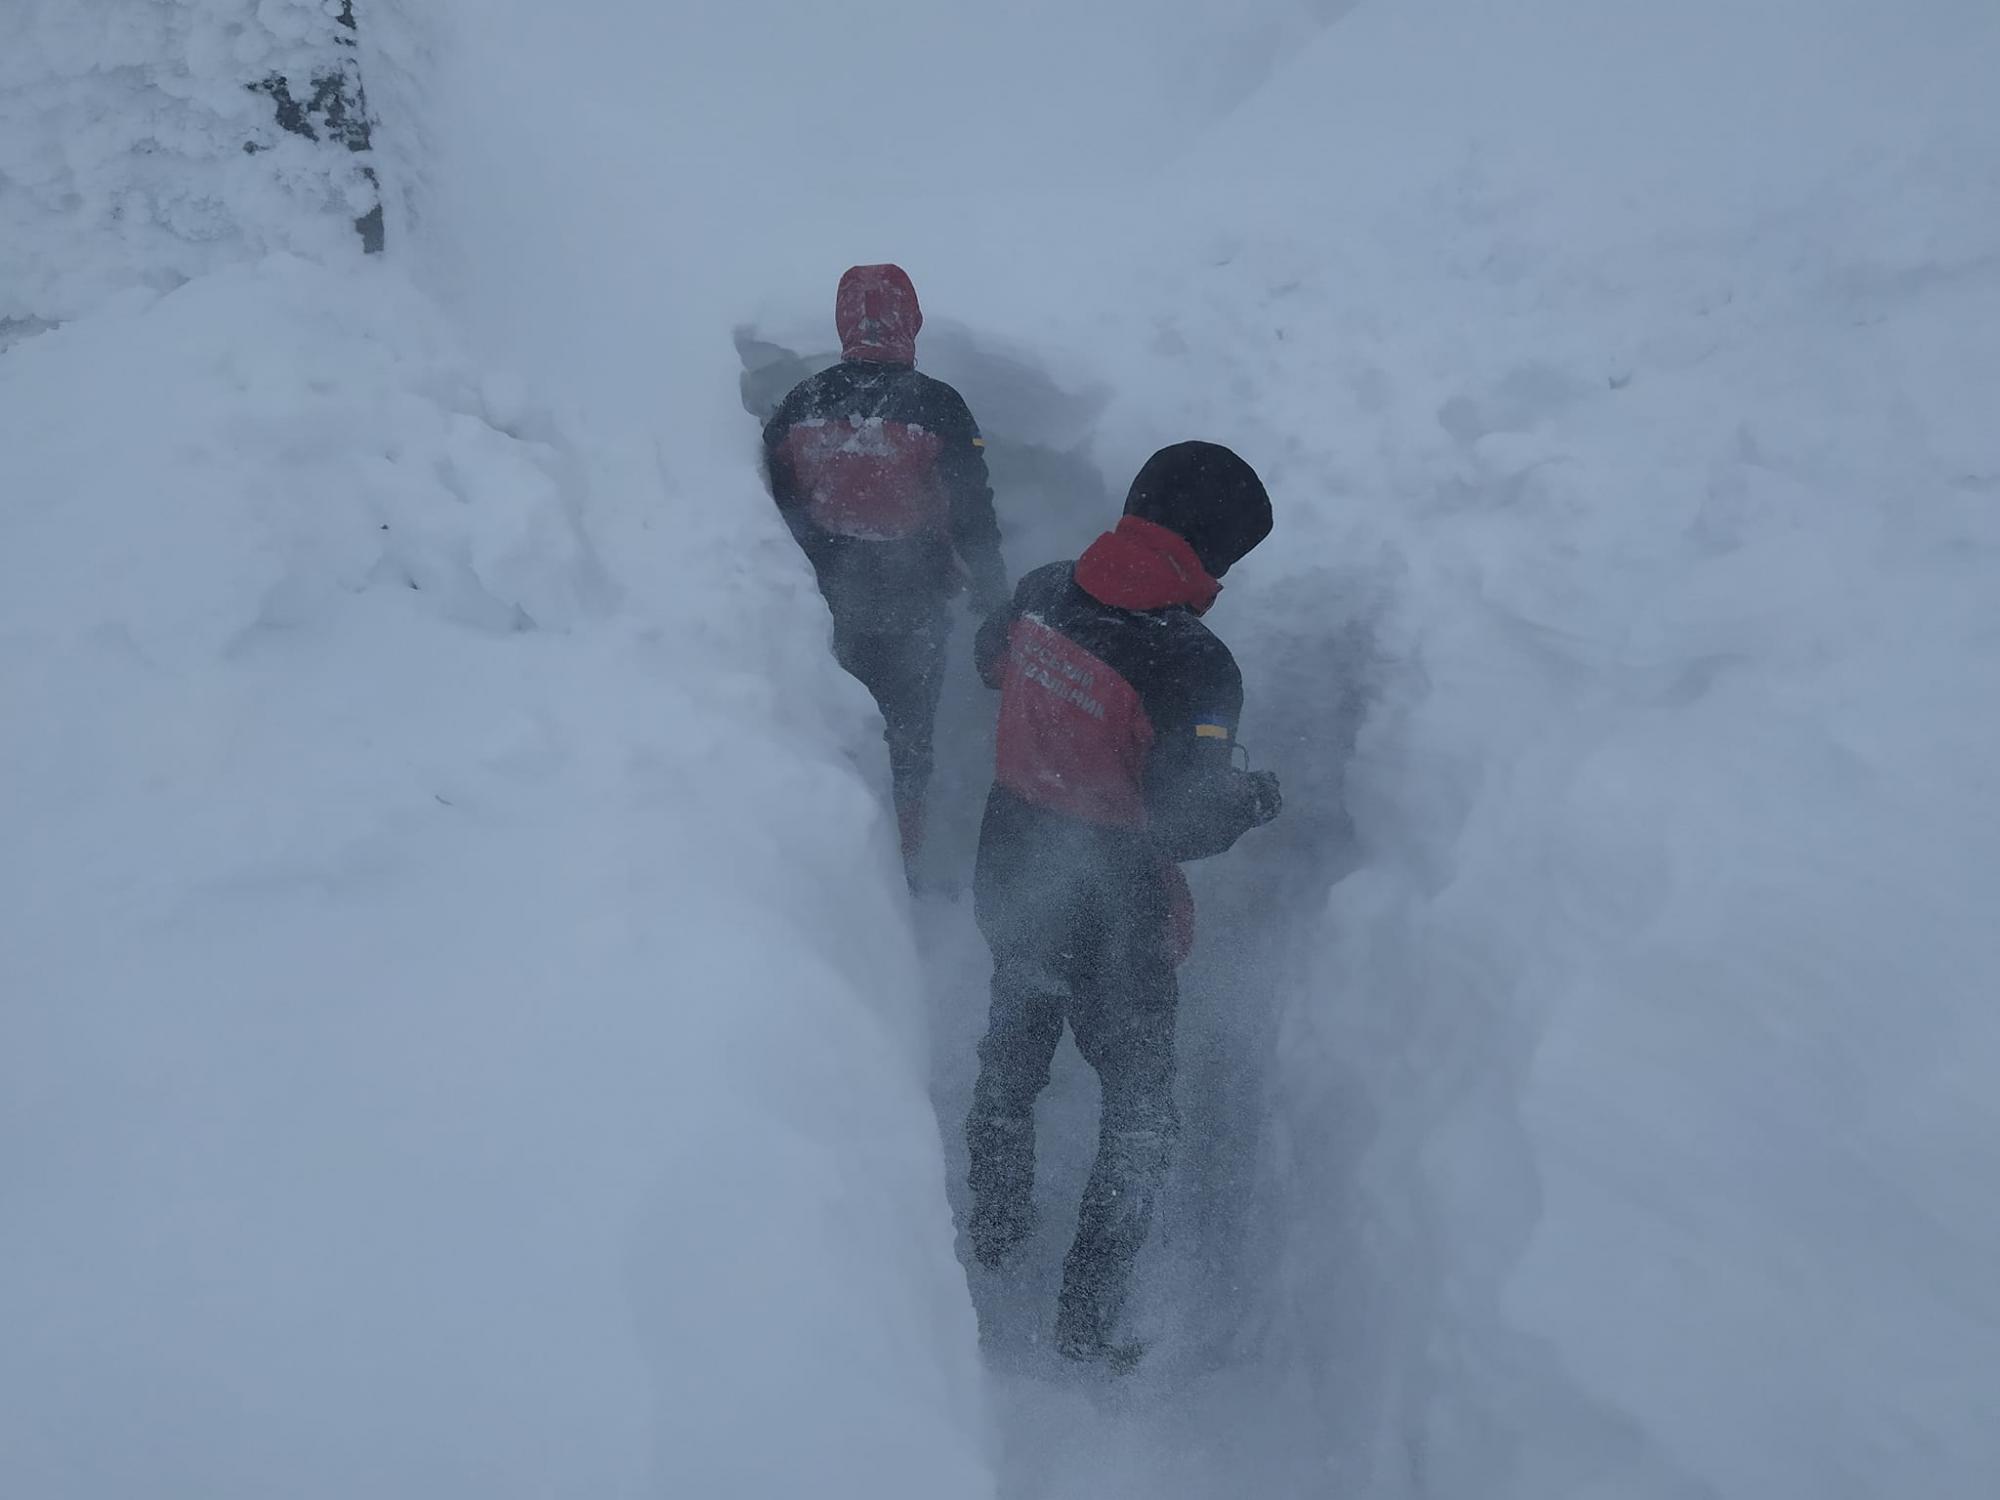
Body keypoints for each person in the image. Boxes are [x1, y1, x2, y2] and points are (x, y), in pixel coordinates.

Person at [963, 440, 1283, 1365]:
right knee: (1140, 1110)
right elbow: (1185, 821)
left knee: (1011, 1058)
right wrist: (1252, 798)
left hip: (1012, 869)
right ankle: (1087, 1317)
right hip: (1116, 916)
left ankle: (993, 1228)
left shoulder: (1044, 589)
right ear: (1210, 552)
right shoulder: (1195, 664)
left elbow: (992, 660)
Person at [762, 264, 1008, 866]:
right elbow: (971, 509)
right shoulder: (939, 406)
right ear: (912, 320)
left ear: (845, 321)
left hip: (826, 603)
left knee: (833, 733)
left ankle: (836, 858)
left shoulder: (804, 401)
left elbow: (776, 502)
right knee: (905, 741)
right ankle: (901, 863)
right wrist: (992, 591)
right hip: (913, 604)